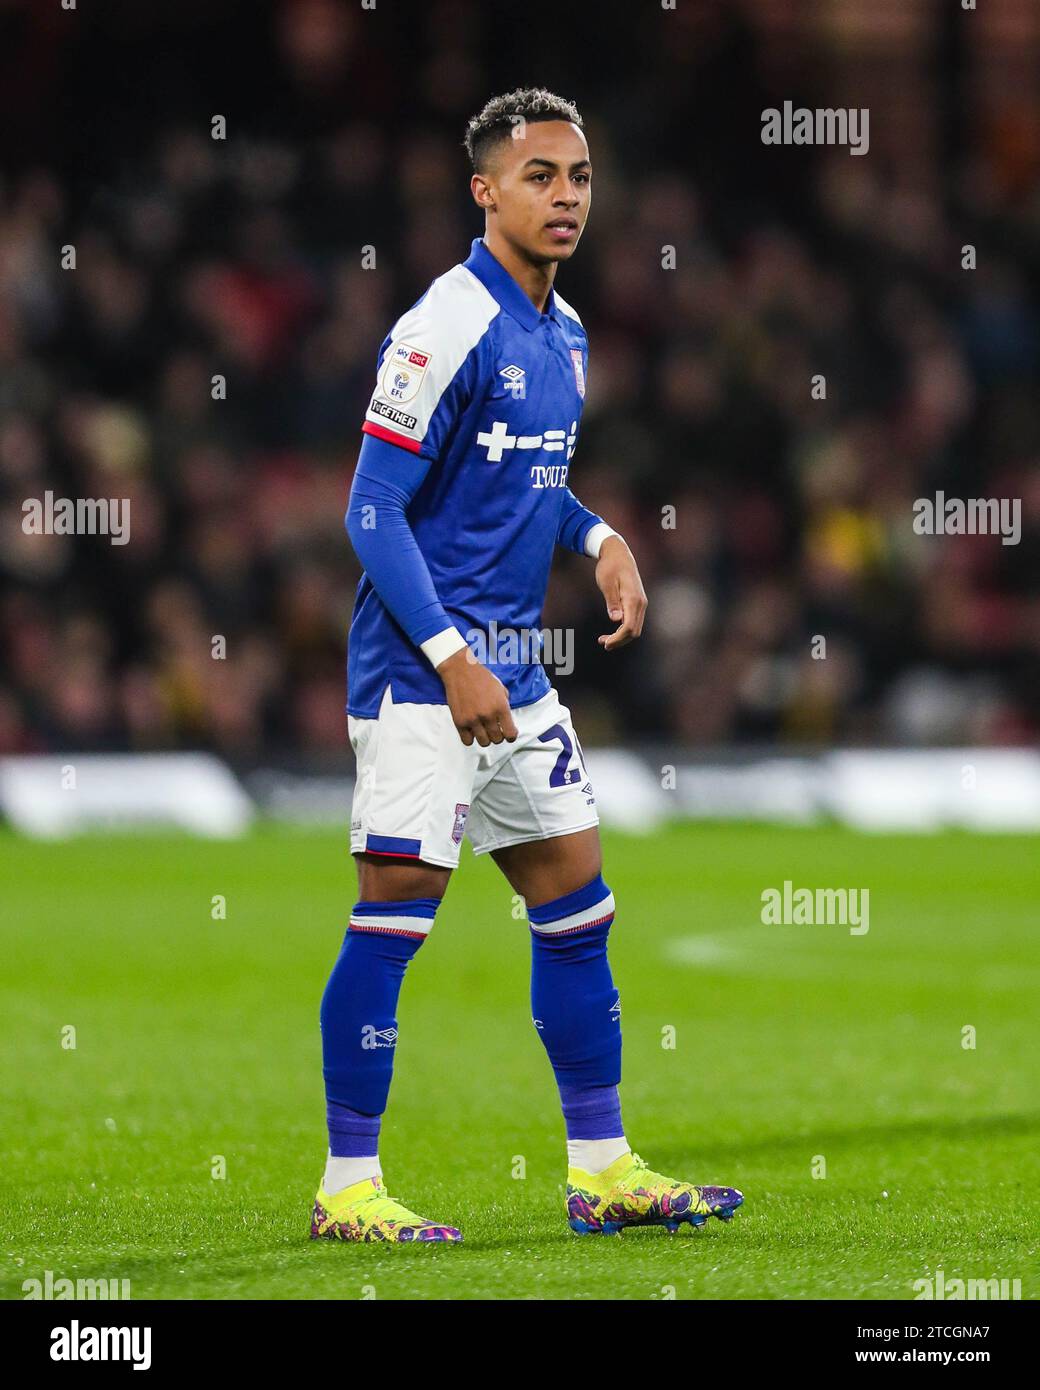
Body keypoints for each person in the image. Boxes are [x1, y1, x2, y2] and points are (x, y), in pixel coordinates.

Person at [313, 87, 743, 1242]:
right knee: (396, 906)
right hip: (423, 673)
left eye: (579, 177)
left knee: (574, 901)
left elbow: (526, 484)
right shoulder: (439, 326)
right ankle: (346, 1184)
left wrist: (597, 537)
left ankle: (599, 1166)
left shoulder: (564, 335)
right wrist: (451, 656)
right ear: (484, 191)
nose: (564, 198)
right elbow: (372, 509)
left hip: (513, 673)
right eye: (539, 176)